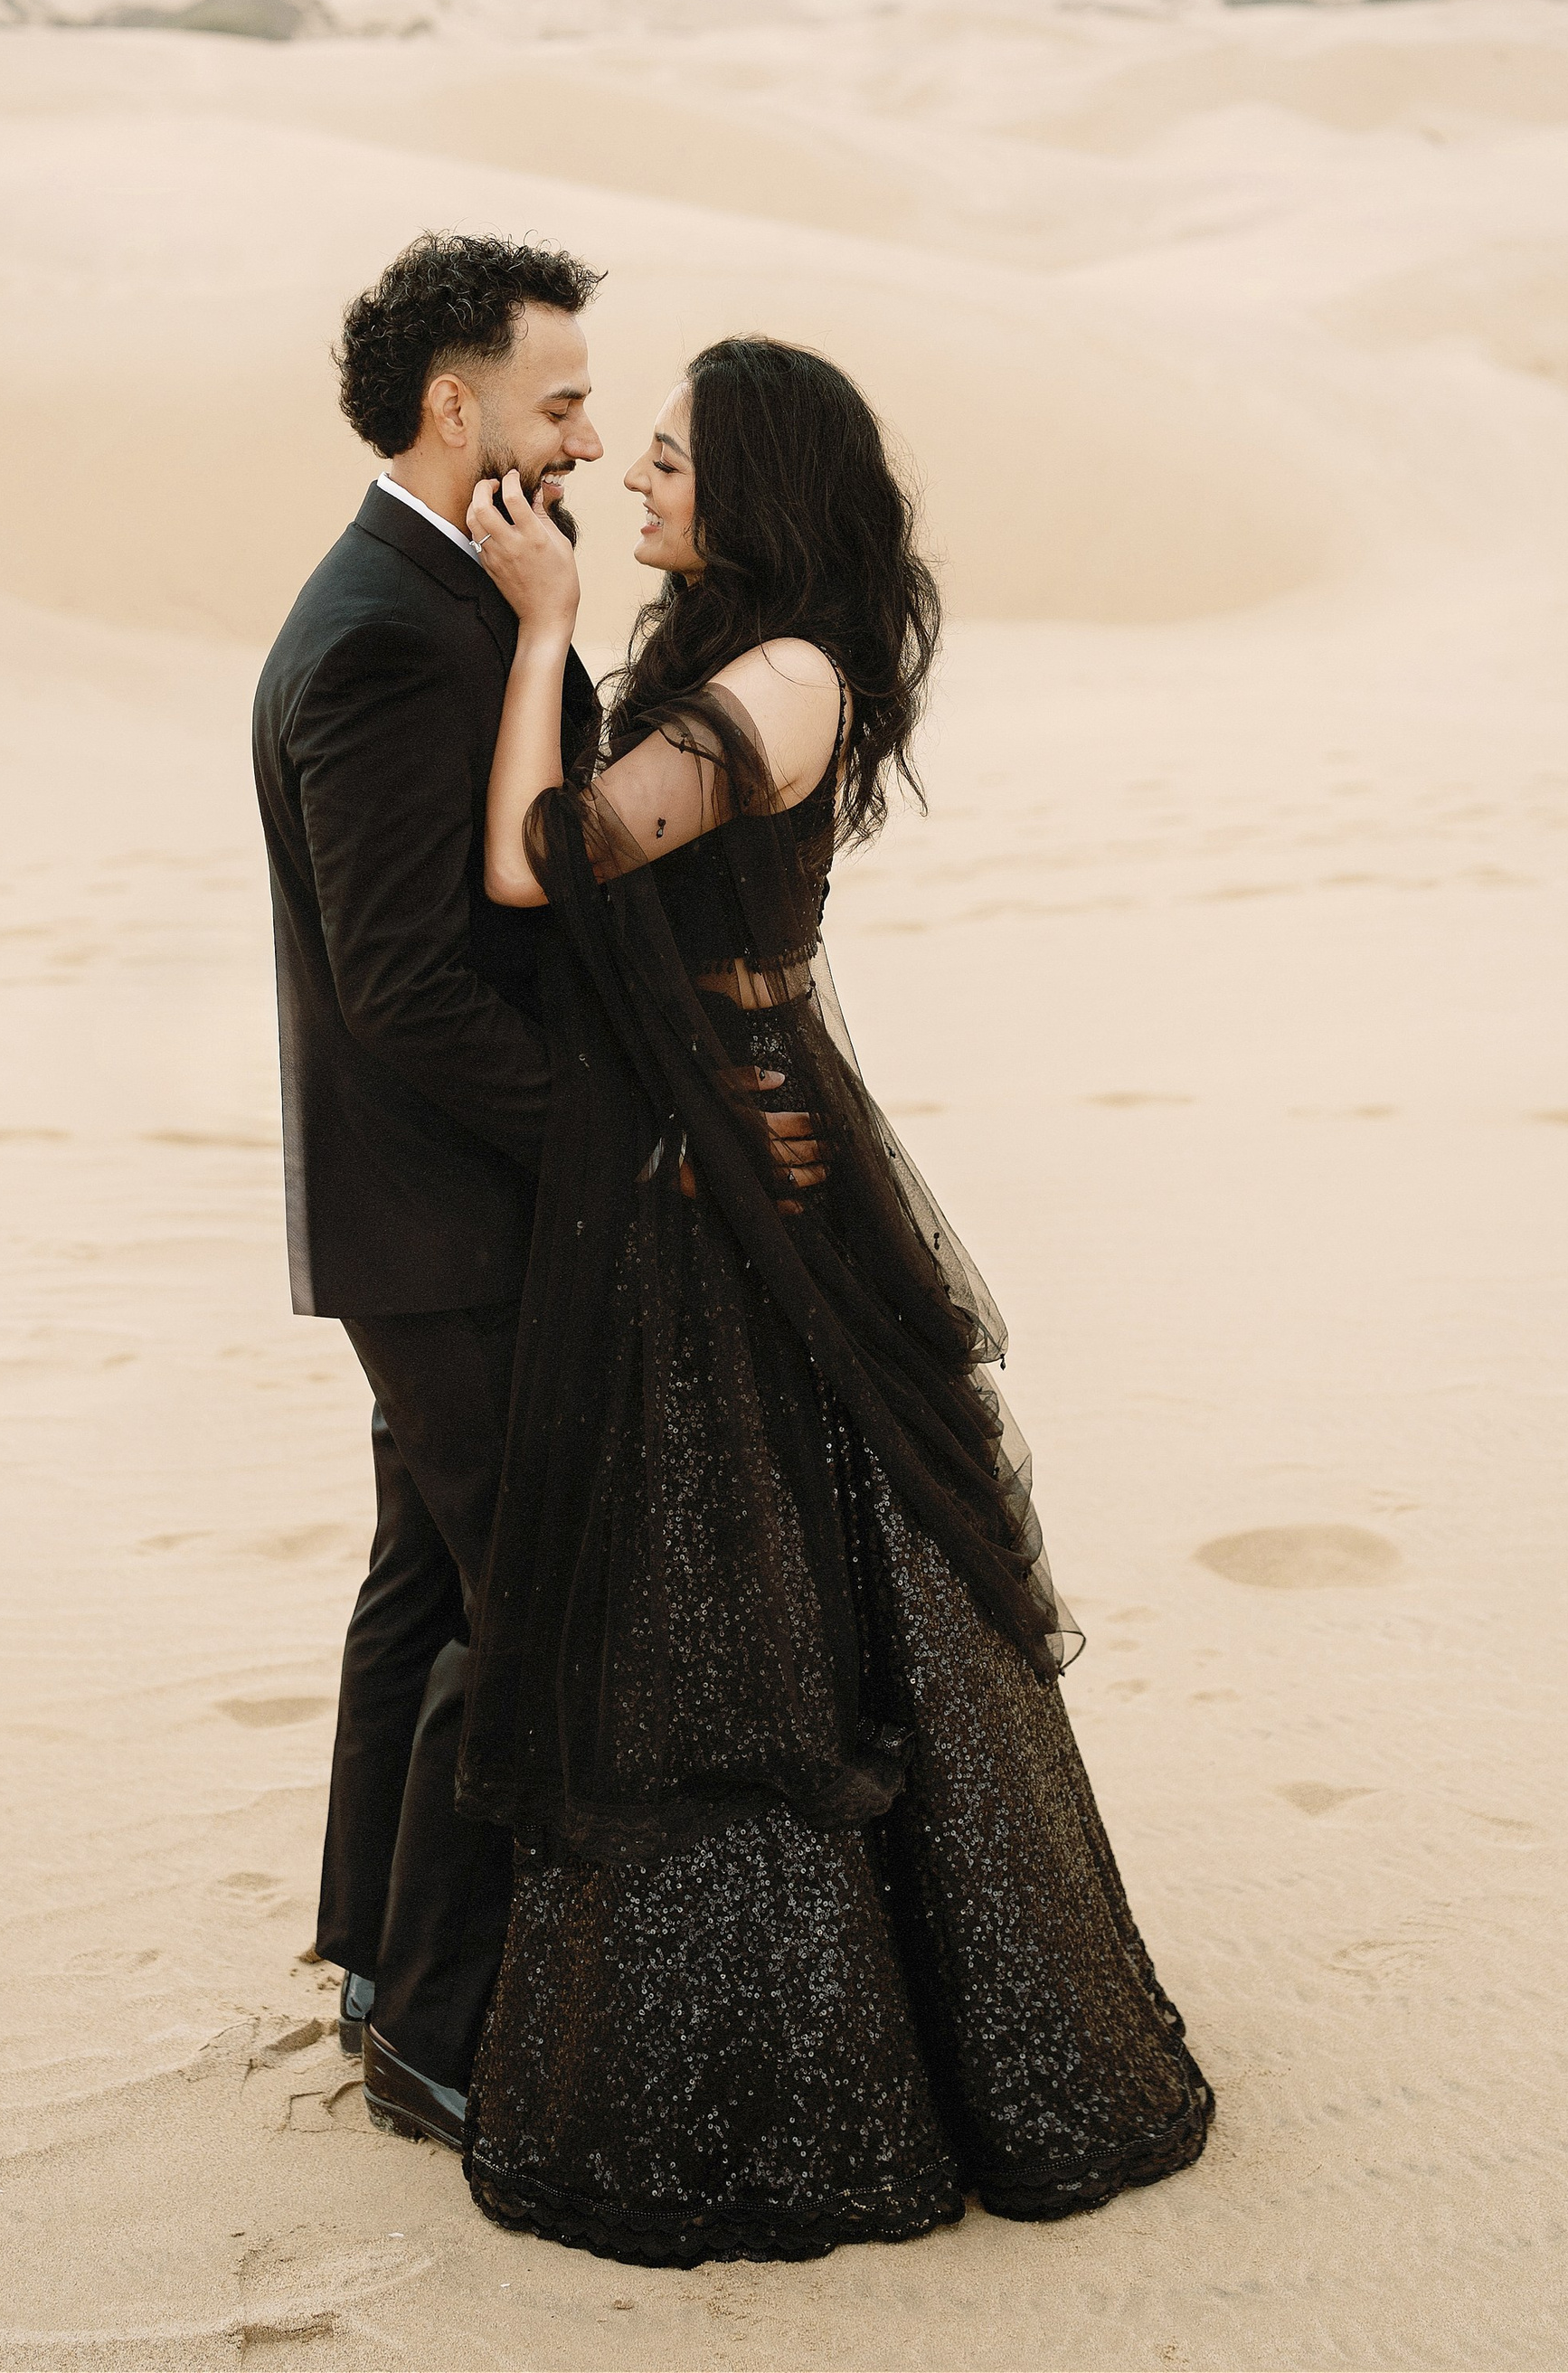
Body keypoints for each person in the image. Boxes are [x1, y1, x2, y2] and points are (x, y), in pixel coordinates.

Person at [450, 335, 1214, 2264]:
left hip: (748, 1173)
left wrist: (539, 630)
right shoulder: (736, 652)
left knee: (784, 1600)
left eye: (675, 457)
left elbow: (549, 863)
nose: (635, 471)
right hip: (694, 1161)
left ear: (756, 486)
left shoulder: (783, 677)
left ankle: (843, 2066)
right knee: (728, 1586)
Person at [249, 232, 609, 2151]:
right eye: (560, 398)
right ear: (455, 407)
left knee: (421, 1584)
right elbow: (400, 977)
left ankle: (378, 1957)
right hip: (454, 1220)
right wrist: (602, 1142)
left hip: (433, 1216)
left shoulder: (436, 578)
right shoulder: (387, 623)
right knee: (523, 1597)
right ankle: (440, 2035)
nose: (591, 426)